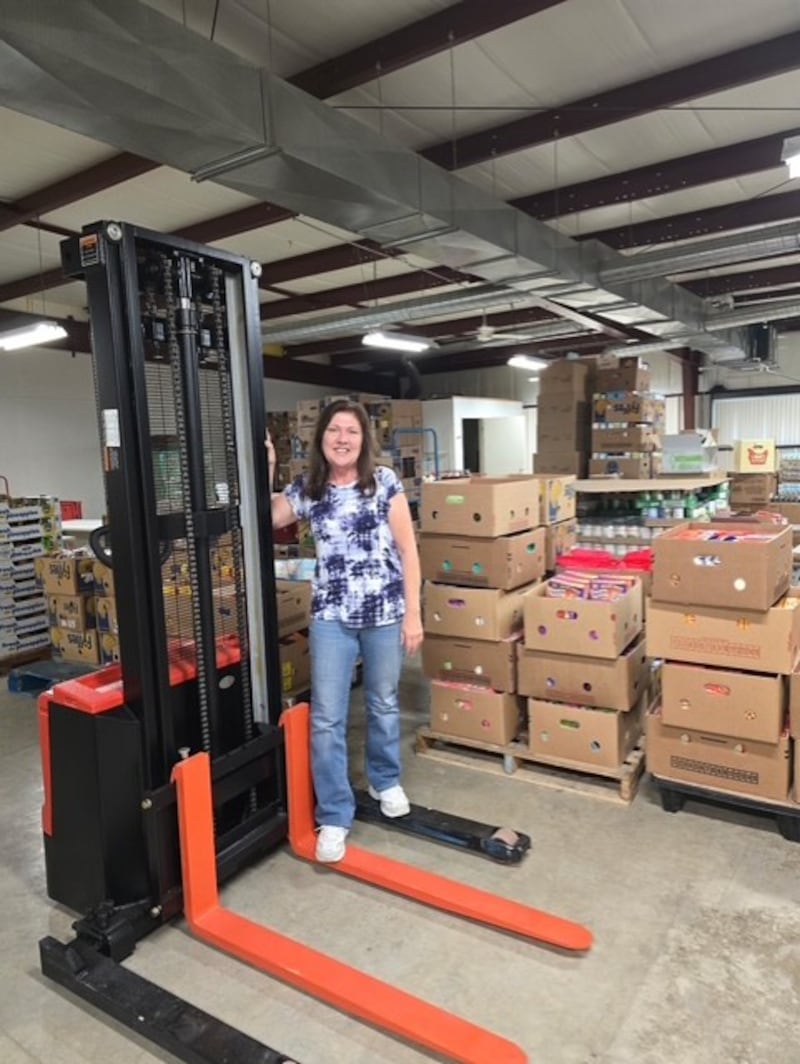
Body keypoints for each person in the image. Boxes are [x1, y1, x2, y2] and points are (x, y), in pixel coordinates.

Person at [267, 399, 423, 863]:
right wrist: (270, 465)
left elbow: (409, 551)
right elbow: (269, 515)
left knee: (382, 702)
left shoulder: (385, 483)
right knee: (328, 717)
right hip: (332, 616)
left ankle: (384, 778)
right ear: (322, 439)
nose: (342, 438)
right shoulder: (310, 488)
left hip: (385, 613)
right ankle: (335, 813)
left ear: (363, 440)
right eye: (334, 430)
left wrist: (413, 613)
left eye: (351, 431)